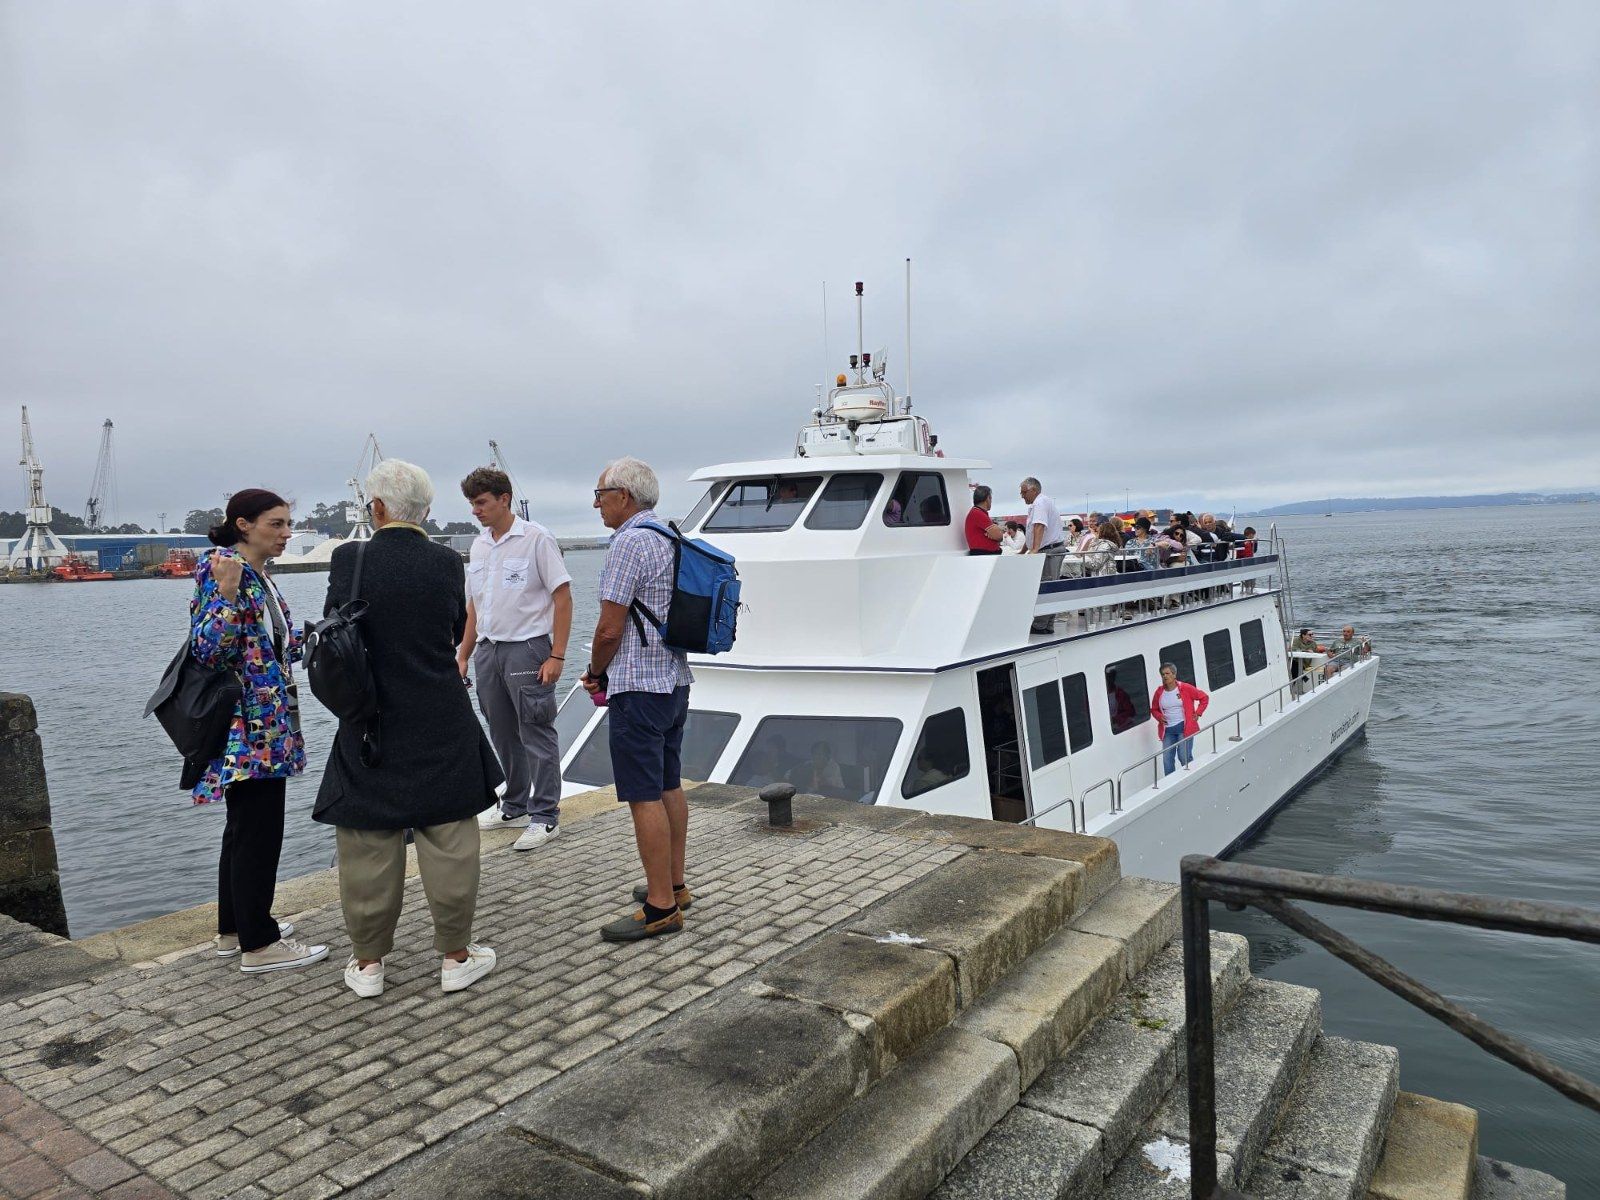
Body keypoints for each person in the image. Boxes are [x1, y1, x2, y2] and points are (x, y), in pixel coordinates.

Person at [318, 461, 503, 998]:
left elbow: (338, 625)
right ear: (425, 510)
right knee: (450, 839)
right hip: (439, 714)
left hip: (369, 719)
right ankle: (455, 957)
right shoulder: (447, 561)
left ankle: (370, 966)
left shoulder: (349, 559)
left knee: (367, 841)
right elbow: (452, 628)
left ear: (377, 509)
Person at [190, 489, 328, 975]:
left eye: (288, 523)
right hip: (247, 728)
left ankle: (235, 930)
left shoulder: (258, 574)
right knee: (258, 832)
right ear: (243, 524)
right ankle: (260, 943)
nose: (287, 533)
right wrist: (226, 596)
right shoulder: (223, 570)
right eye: (277, 524)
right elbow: (207, 649)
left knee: (244, 828)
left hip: (266, 721)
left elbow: (266, 649)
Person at [581, 457, 696, 943]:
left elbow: (610, 627)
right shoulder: (670, 537)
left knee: (642, 795)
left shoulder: (628, 542)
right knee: (669, 783)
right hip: (674, 680)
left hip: (639, 685)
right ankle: (674, 883)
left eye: (600, 493)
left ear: (623, 496)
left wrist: (593, 672)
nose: (595, 503)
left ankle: (660, 908)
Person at [457, 466, 573, 851]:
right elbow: (474, 607)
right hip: (489, 649)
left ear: (504, 499)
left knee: (536, 729)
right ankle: (516, 804)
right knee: (502, 730)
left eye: (481, 502)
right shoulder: (479, 546)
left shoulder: (537, 539)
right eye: (472, 504)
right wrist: (463, 654)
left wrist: (557, 654)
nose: (476, 510)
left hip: (527, 646)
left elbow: (563, 597)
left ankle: (546, 816)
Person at [1021, 477, 1067, 634]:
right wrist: (1023, 551)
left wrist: (1034, 550)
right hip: (1050, 549)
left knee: (1045, 587)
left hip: (1049, 551)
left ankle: (1041, 625)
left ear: (1034, 490)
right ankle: (1047, 625)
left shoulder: (1040, 503)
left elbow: (1039, 526)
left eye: (1024, 492)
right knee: (1050, 586)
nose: (1022, 495)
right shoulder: (1039, 503)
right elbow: (1031, 532)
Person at [1151, 663, 1209, 775]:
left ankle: (1192, 776)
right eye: (1162, 674)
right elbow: (1154, 709)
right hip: (1168, 731)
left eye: (1167, 673)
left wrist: (1198, 713)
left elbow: (1204, 698)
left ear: (1174, 674)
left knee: (1184, 757)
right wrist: (1159, 716)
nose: (1165, 676)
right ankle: (1170, 783)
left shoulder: (1185, 688)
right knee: (1167, 760)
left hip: (1184, 729)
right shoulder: (1159, 692)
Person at [964, 485, 1004, 555]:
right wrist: (996, 530)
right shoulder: (977, 513)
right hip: (983, 556)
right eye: (991, 498)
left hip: (985, 556)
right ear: (988, 498)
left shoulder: (977, 512)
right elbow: (999, 536)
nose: (991, 502)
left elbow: (997, 535)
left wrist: (995, 530)